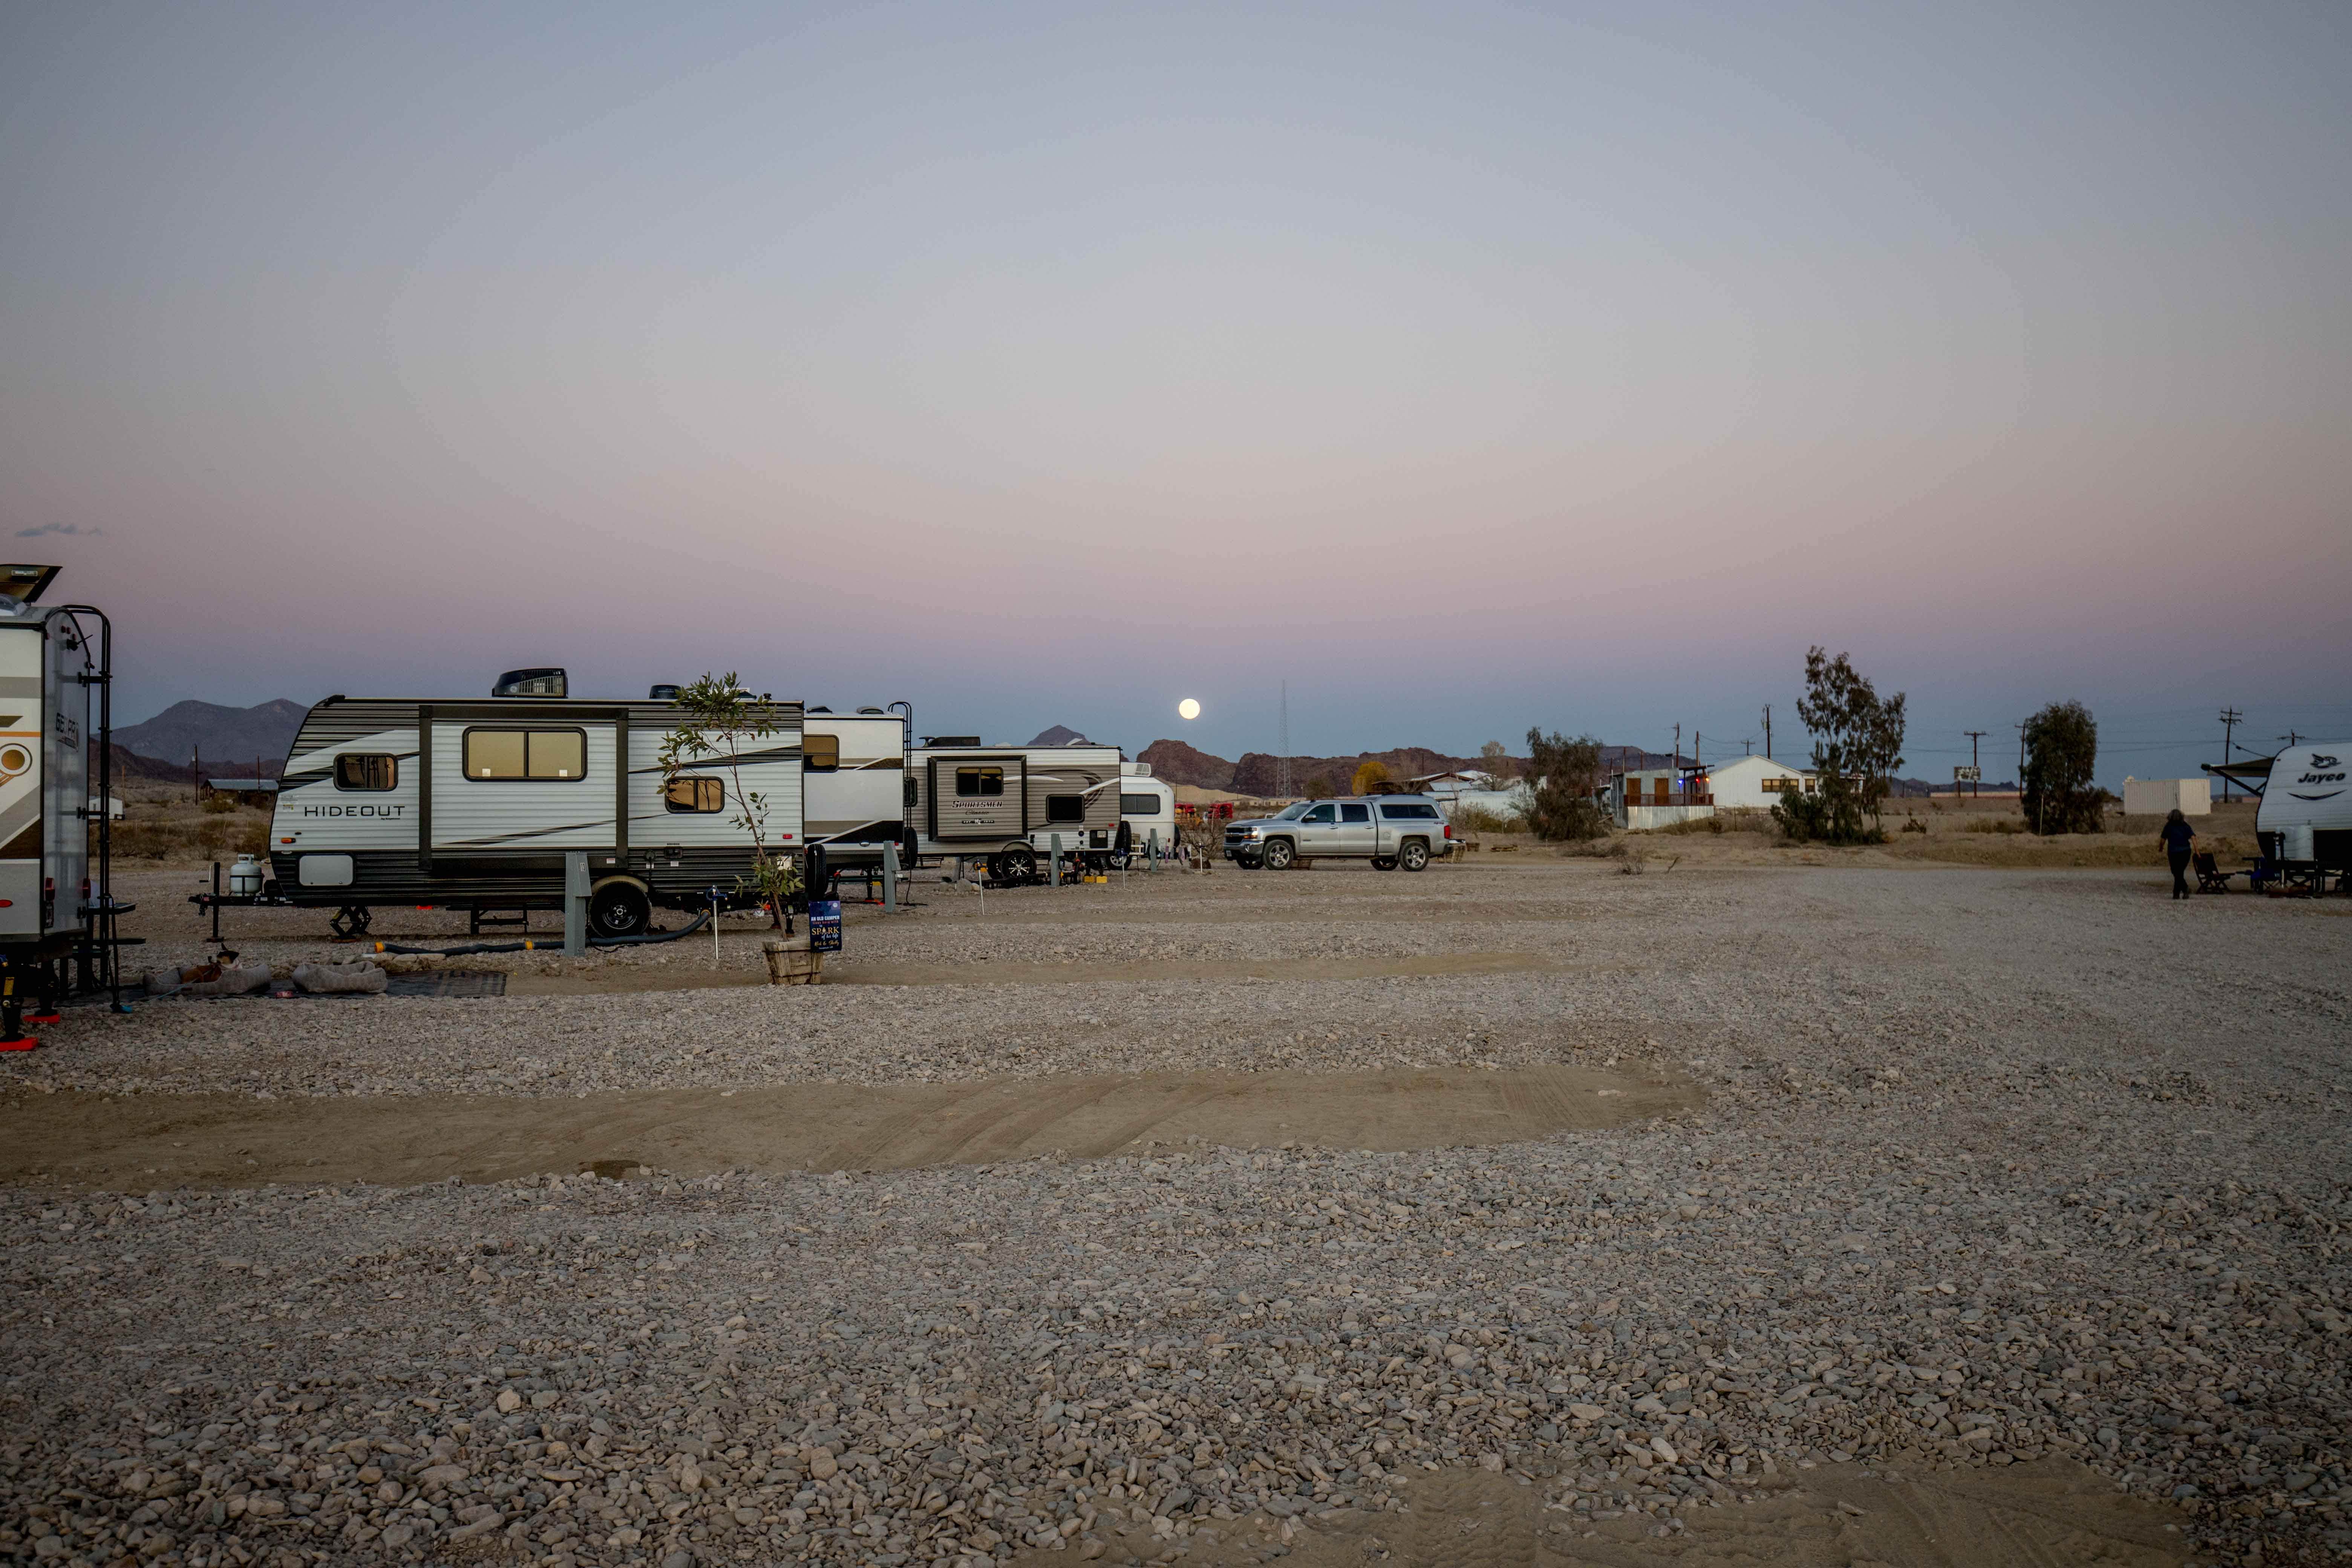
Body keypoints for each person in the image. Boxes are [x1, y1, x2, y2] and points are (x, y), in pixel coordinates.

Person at [2159, 807, 2197, 899]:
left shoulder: (2168, 826)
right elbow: (2193, 838)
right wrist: (2197, 851)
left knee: (2177, 872)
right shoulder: (2185, 826)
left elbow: (2163, 839)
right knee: (2179, 872)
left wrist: (2161, 848)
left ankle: (2177, 893)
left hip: (2173, 852)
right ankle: (2185, 890)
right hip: (2185, 852)